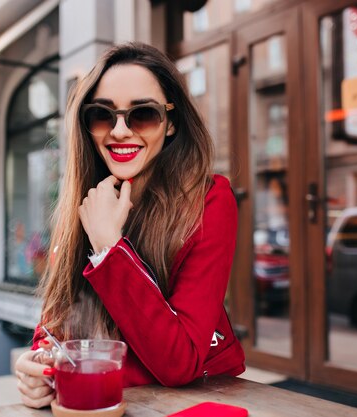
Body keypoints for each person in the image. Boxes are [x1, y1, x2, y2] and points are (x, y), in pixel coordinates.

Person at [15, 42, 245, 409]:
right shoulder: (84, 204)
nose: (120, 131)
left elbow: (178, 363)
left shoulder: (210, 202)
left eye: (143, 114)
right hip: (92, 404)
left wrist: (109, 248)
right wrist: (39, 366)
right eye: (103, 115)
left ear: (170, 123)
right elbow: (56, 328)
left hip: (189, 406)